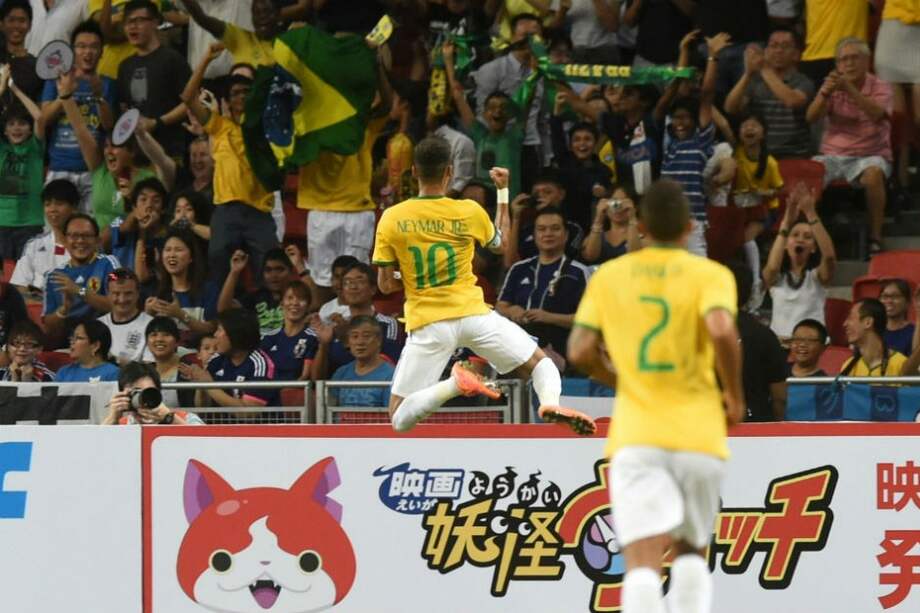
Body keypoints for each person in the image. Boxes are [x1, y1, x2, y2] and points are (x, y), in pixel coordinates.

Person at [567, 178, 744, 613]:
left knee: (642, 562)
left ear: (640, 226)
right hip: (698, 431)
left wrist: (617, 380)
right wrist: (734, 395)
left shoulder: (610, 275)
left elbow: (579, 351)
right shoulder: (711, 274)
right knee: (690, 551)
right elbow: (722, 330)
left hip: (638, 434)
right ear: (688, 228)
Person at [373, 137, 595, 435]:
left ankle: (454, 384)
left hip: (429, 323)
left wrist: (406, 277)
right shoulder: (467, 210)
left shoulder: (392, 218)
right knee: (542, 366)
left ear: (415, 171)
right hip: (475, 315)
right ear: (449, 172)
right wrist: (503, 192)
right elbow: (501, 244)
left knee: (399, 418)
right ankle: (549, 403)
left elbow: (385, 286)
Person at [182, 42, 278, 284]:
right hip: (226, 210)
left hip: (259, 211)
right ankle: (220, 312)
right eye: (236, 93)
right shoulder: (219, 126)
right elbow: (188, 97)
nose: (241, 97)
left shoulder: (265, 127)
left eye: (247, 92)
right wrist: (206, 59)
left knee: (269, 265)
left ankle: (267, 313)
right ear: (228, 99)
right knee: (217, 257)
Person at [806, 37, 893, 257]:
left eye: (854, 58)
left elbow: (876, 114)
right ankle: (808, 236)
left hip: (870, 154)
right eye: (843, 60)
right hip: (833, 154)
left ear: (867, 61)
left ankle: (875, 238)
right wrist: (825, 93)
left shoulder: (881, 86)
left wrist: (850, 90)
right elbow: (811, 117)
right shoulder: (832, 86)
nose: (849, 64)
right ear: (837, 65)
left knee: (873, 175)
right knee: (807, 175)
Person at [57, 68, 176, 229]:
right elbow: (80, 130)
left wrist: (141, 134)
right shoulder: (100, 171)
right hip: (98, 249)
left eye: (116, 147)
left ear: (132, 151)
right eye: (106, 147)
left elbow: (163, 162)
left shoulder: (148, 179)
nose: (109, 151)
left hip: (131, 248)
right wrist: (65, 96)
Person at [659, 32, 729, 256]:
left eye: (685, 117)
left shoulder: (701, 140)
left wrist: (712, 57)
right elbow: (669, 97)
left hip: (693, 224)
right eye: (676, 117)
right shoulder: (666, 141)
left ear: (694, 120)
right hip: (666, 224)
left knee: (697, 282)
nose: (680, 122)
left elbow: (707, 95)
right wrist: (683, 52)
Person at [40, 20, 115, 213]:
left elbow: (109, 126)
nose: (87, 52)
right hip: (59, 169)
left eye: (93, 47)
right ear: (72, 51)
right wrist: (64, 94)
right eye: (81, 46)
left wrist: (99, 96)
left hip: (93, 171)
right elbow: (43, 119)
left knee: (90, 232)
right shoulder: (56, 80)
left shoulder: (108, 84)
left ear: (102, 52)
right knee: (56, 235)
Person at [497, 207, 592, 361]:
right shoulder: (519, 268)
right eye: (541, 229)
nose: (548, 234)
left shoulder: (579, 272)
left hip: (561, 349)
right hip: (516, 346)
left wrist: (549, 317)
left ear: (566, 235)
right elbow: (501, 306)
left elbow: (588, 319)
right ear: (534, 235)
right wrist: (512, 310)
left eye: (555, 229)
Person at [469, 13, 545, 191]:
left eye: (535, 37)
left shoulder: (543, 72)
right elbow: (482, 112)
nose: (531, 41)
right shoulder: (491, 70)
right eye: (525, 36)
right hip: (501, 148)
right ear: (512, 37)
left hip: (531, 146)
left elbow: (542, 117)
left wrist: (546, 154)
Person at [115, 0, 192, 160]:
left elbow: (191, 102)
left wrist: (157, 123)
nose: (132, 27)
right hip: (137, 155)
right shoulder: (124, 66)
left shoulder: (173, 59)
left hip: (169, 151)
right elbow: (124, 108)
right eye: (128, 22)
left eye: (138, 21)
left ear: (155, 22)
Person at [724, 28, 816, 158]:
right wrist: (747, 74)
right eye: (773, 46)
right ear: (766, 51)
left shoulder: (803, 81)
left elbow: (792, 101)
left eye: (785, 46)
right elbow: (730, 108)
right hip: (760, 155)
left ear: (796, 54)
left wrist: (764, 68)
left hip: (794, 155)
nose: (778, 51)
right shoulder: (755, 81)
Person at [762, 182, 836, 341]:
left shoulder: (817, 277)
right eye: (795, 235)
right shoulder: (776, 278)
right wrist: (786, 224)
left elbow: (829, 257)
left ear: (814, 248)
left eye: (808, 237)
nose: (800, 240)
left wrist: (811, 214)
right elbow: (773, 267)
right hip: (779, 346)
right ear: (786, 245)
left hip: (813, 347)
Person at [308, 262, 404, 380]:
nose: (353, 287)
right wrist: (324, 345)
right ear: (342, 291)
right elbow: (317, 380)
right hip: (338, 392)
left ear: (373, 289)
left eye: (360, 281)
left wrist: (346, 340)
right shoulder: (333, 327)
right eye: (348, 282)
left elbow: (391, 365)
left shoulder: (388, 324)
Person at [42, 213, 120, 344]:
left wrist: (79, 291)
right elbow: (48, 326)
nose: (80, 241)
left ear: (97, 240)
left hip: (104, 342)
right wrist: (63, 310)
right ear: (64, 240)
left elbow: (118, 305)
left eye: (86, 236)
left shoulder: (108, 265)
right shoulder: (54, 276)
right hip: (68, 345)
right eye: (74, 236)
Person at [180, 307, 280, 409]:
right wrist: (201, 383)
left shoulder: (260, 364)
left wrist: (208, 384)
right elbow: (203, 407)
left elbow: (249, 413)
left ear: (235, 333)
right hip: (219, 424)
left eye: (219, 330)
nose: (215, 335)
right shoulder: (215, 360)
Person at [0, 62, 46, 270]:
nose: (17, 128)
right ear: (5, 130)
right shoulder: (1, 148)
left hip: (30, 224)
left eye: (22, 124)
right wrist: (1, 87)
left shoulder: (35, 147)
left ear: (29, 129)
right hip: (1, 224)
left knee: (27, 280)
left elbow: (39, 116)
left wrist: (14, 88)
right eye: (11, 124)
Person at [729, 261, 787, 422]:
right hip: (757, 427)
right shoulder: (765, 335)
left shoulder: (700, 333)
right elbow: (779, 397)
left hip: (709, 427)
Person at [144, 228, 219, 342]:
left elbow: (211, 328)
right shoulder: (157, 291)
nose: (172, 255)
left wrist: (180, 315)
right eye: (168, 250)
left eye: (178, 250)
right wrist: (148, 314)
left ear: (191, 257)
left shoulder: (208, 289)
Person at [505, 169, 585, 268]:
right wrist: (516, 217)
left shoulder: (572, 228)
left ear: (561, 194)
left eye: (547, 192)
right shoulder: (527, 230)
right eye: (536, 194)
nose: (540, 196)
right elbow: (510, 263)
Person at [9, 179, 76, 297]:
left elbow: (107, 280)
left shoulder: (87, 246)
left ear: (74, 207)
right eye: (47, 204)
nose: (52, 209)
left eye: (59, 204)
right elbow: (19, 285)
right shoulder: (34, 245)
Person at [218, 247, 293, 337]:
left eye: (279, 269)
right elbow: (224, 310)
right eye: (268, 270)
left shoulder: (298, 294)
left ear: (291, 271)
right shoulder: (257, 296)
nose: (274, 275)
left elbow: (314, 303)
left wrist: (301, 268)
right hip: (260, 348)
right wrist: (234, 272)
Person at [103, 360, 204, 425]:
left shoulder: (186, 418)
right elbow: (95, 450)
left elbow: (206, 445)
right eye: (136, 392)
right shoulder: (120, 425)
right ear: (122, 394)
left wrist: (169, 418)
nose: (142, 398)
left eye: (148, 391)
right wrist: (112, 418)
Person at [105, 177, 169, 277]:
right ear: (134, 206)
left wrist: (144, 231)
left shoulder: (167, 236)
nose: (149, 205)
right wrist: (131, 219)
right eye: (143, 199)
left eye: (156, 201)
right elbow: (101, 241)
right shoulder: (121, 221)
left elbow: (143, 277)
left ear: (163, 209)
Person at [329, 315, 396, 408]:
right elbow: (330, 412)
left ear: (379, 340)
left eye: (366, 336)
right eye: (355, 336)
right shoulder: (341, 373)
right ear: (348, 341)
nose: (360, 342)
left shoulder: (391, 375)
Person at [259, 281, 316, 381]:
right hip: (267, 392)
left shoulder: (313, 338)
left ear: (308, 306)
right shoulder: (267, 337)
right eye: (290, 298)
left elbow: (305, 376)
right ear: (281, 304)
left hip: (296, 392)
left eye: (301, 299)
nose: (294, 303)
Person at [840, 298, 910, 377]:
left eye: (850, 318)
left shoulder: (900, 364)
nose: (845, 324)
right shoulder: (848, 367)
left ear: (868, 322)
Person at [97, 267, 153, 365]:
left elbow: (150, 368)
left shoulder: (151, 325)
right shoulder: (97, 326)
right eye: (116, 294)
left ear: (138, 294)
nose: (122, 299)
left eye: (128, 293)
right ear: (108, 295)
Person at [143, 316, 196, 409]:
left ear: (177, 341)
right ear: (147, 342)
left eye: (166, 334)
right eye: (154, 335)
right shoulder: (143, 372)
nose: (159, 339)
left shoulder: (188, 370)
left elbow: (200, 407)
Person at [581, 183, 641, 264]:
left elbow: (636, 257)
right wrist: (599, 218)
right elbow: (590, 256)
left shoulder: (643, 236)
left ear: (635, 206)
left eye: (624, 203)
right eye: (614, 202)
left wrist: (632, 219)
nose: (618, 207)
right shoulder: (598, 236)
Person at [0, 0, 42, 108]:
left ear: (30, 25)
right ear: (1, 24)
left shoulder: (37, 66)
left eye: (22, 20)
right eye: (11, 20)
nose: (16, 26)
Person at [56, 319, 121, 382]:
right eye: (72, 338)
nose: (72, 342)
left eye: (78, 338)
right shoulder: (64, 372)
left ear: (95, 346)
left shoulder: (113, 373)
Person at [315, 255, 359, 324]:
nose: (340, 282)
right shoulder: (325, 309)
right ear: (331, 279)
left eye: (345, 277)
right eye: (337, 277)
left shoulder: (364, 308)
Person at [879, 279, 916, 358]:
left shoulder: (914, 333)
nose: (889, 301)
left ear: (907, 302)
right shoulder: (873, 331)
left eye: (895, 296)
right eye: (885, 297)